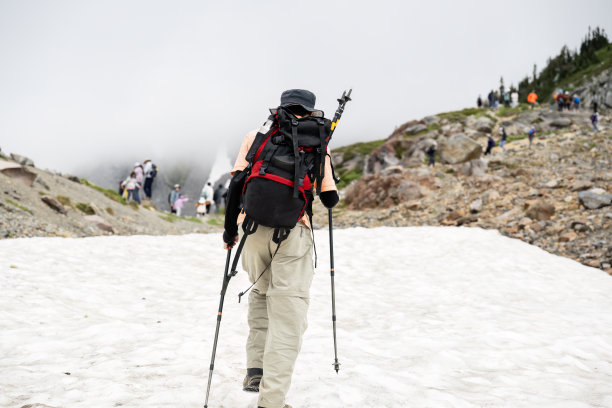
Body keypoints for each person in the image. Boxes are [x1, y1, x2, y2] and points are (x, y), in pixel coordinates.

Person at [223, 89, 339, 408]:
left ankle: (255, 371)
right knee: (288, 313)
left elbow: (235, 185)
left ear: (281, 108)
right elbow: (329, 197)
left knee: (260, 294)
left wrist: (229, 231)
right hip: (294, 232)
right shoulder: (318, 142)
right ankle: (272, 401)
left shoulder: (257, 136)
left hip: (251, 230)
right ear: (311, 111)